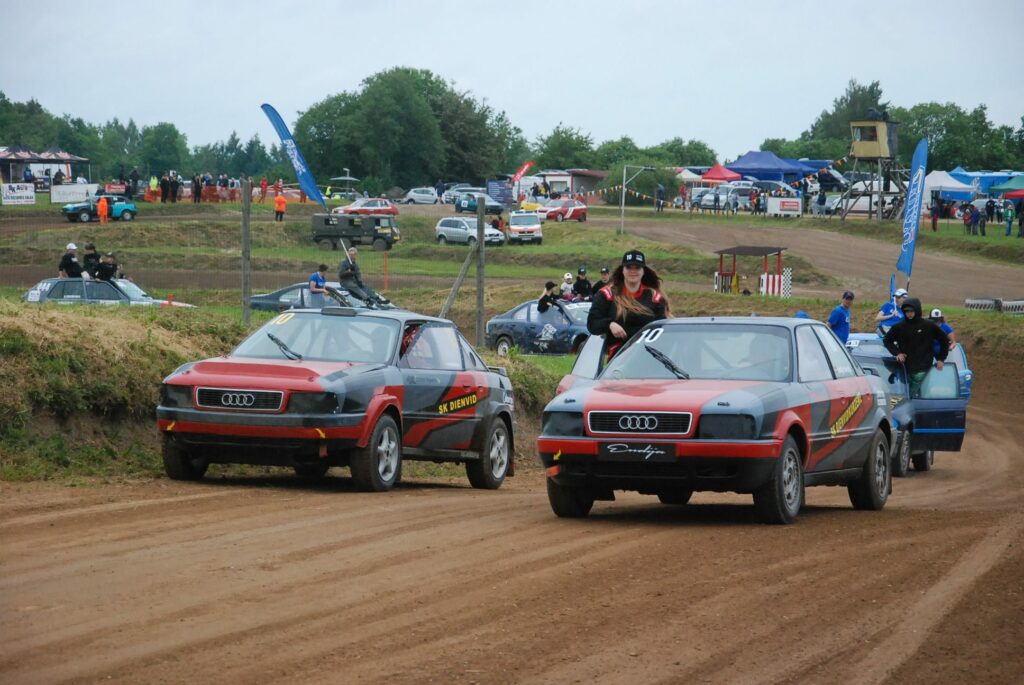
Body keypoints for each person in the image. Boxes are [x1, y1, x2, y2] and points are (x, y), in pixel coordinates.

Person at [587, 249, 670, 360]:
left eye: (637, 268)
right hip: (619, 358)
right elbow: (592, 324)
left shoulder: (655, 298)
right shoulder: (607, 294)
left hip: (649, 355)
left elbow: (662, 330)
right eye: (629, 267)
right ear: (622, 270)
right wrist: (610, 324)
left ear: (643, 271)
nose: (633, 271)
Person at [883, 298, 950, 398]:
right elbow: (887, 340)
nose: (909, 314)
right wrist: (897, 353)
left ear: (917, 310)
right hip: (905, 368)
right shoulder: (899, 327)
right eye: (906, 311)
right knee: (904, 396)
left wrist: (941, 359)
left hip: (924, 368)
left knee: (916, 396)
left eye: (911, 311)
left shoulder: (929, 326)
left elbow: (944, 340)